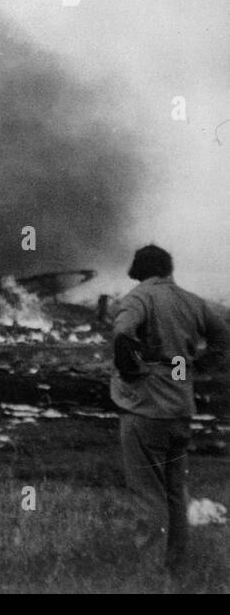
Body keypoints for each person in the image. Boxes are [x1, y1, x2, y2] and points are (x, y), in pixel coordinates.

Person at [109, 244, 230, 574]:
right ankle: (175, 569)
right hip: (181, 407)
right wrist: (199, 366)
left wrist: (130, 368)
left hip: (145, 408)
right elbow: (224, 337)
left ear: (140, 270)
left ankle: (148, 574)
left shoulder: (138, 297)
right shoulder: (192, 300)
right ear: (167, 268)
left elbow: (122, 332)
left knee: (148, 493)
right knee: (176, 491)